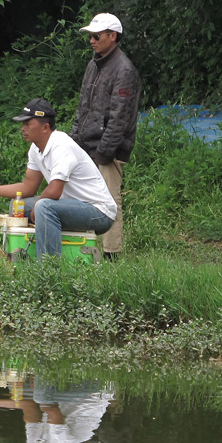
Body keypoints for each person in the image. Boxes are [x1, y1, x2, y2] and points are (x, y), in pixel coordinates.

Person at [0, 98, 117, 259]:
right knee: (18, 206)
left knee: (44, 207)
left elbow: (54, 191)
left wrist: (39, 206)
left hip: (99, 211)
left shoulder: (61, 146)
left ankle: (47, 270)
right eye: (22, 124)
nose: (22, 128)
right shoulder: (36, 148)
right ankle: (24, 259)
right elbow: (28, 187)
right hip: (73, 205)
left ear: (45, 127)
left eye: (27, 123)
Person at [69, 13, 141, 260]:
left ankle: (112, 255)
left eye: (96, 35)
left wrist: (104, 153)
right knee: (79, 199)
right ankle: (81, 250)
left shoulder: (125, 70)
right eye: (90, 35)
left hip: (108, 151)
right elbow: (83, 108)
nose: (91, 40)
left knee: (110, 202)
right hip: (86, 146)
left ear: (113, 36)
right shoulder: (93, 65)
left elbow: (120, 117)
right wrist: (72, 142)